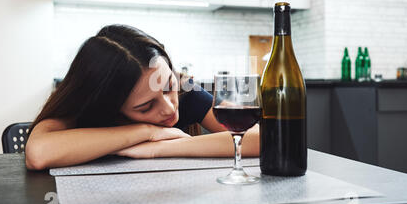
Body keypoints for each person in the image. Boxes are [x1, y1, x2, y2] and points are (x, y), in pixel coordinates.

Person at [26, 25, 259, 170]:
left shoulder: (185, 87)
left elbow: (265, 138)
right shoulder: (88, 105)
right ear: (110, 107)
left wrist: (163, 147)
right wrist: (148, 132)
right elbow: (38, 153)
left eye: (168, 87)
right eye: (146, 107)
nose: (169, 108)